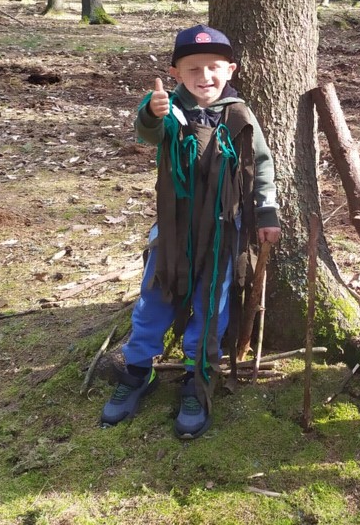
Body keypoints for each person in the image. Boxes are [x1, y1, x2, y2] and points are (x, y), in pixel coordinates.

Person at [100, 24, 281, 439]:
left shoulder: (240, 114)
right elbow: (148, 132)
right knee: (154, 296)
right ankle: (138, 371)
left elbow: (262, 165)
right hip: (173, 229)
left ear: (230, 69)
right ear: (176, 72)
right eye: (193, 68)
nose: (205, 76)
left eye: (214, 67)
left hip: (223, 232)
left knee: (211, 303)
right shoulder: (168, 109)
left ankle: (197, 378)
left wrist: (266, 212)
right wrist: (151, 111)